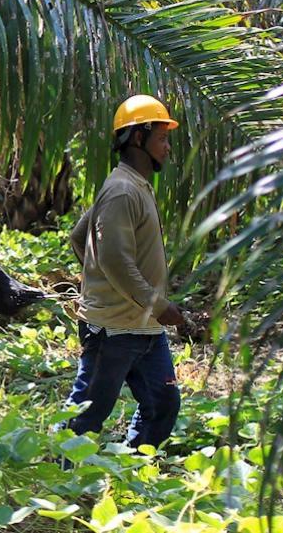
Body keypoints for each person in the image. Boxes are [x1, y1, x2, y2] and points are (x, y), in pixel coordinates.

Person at [65, 94, 186, 450]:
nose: (167, 148)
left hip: (144, 328)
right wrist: (156, 304)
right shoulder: (121, 191)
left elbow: (80, 238)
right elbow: (114, 260)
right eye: (162, 138)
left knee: (162, 404)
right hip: (114, 330)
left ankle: (134, 466)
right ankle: (61, 473)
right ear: (138, 138)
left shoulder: (134, 186)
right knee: (88, 412)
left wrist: (100, 277)